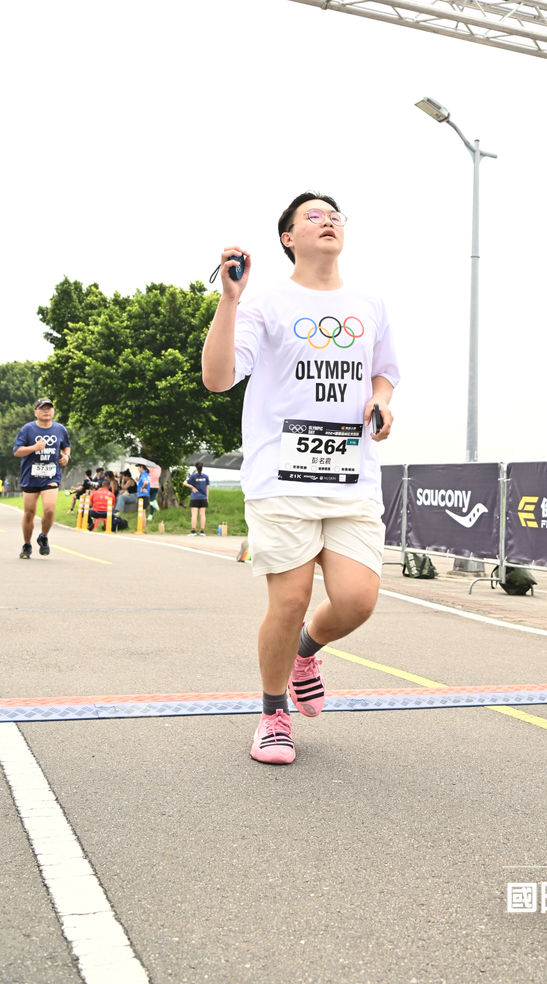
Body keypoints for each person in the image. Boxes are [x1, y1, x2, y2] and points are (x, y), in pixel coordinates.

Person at [202, 192, 399, 765]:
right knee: (289, 600)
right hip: (282, 476)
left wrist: (381, 401)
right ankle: (273, 714)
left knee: (357, 600)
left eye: (335, 215)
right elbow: (217, 378)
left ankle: (306, 652)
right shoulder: (263, 303)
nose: (328, 221)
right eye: (313, 216)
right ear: (288, 237)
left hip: (352, 477)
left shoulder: (369, 303)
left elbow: (384, 372)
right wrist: (229, 301)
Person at [13, 399, 71, 558]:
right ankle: (27, 545)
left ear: (53, 411)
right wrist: (34, 448)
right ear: (35, 412)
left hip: (51, 475)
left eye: (49, 408)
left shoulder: (60, 429)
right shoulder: (27, 429)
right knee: (29, 512)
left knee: (49, 509)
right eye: (42, 408)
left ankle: (43, 536)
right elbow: (17, 451)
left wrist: (66, 456)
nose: (46, 411)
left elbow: (66, 445)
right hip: (31, 476)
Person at [185, 461, 210, 535]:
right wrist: (207, 497)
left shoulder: (192, 476)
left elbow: (184, 483)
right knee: (202, 514)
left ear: (195, 467)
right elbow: (207, 487)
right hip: (203, 498)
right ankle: (202, 531)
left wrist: (192, 487)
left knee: (194, 514)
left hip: (195, 497)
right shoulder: (206, 476)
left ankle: (193, 531)